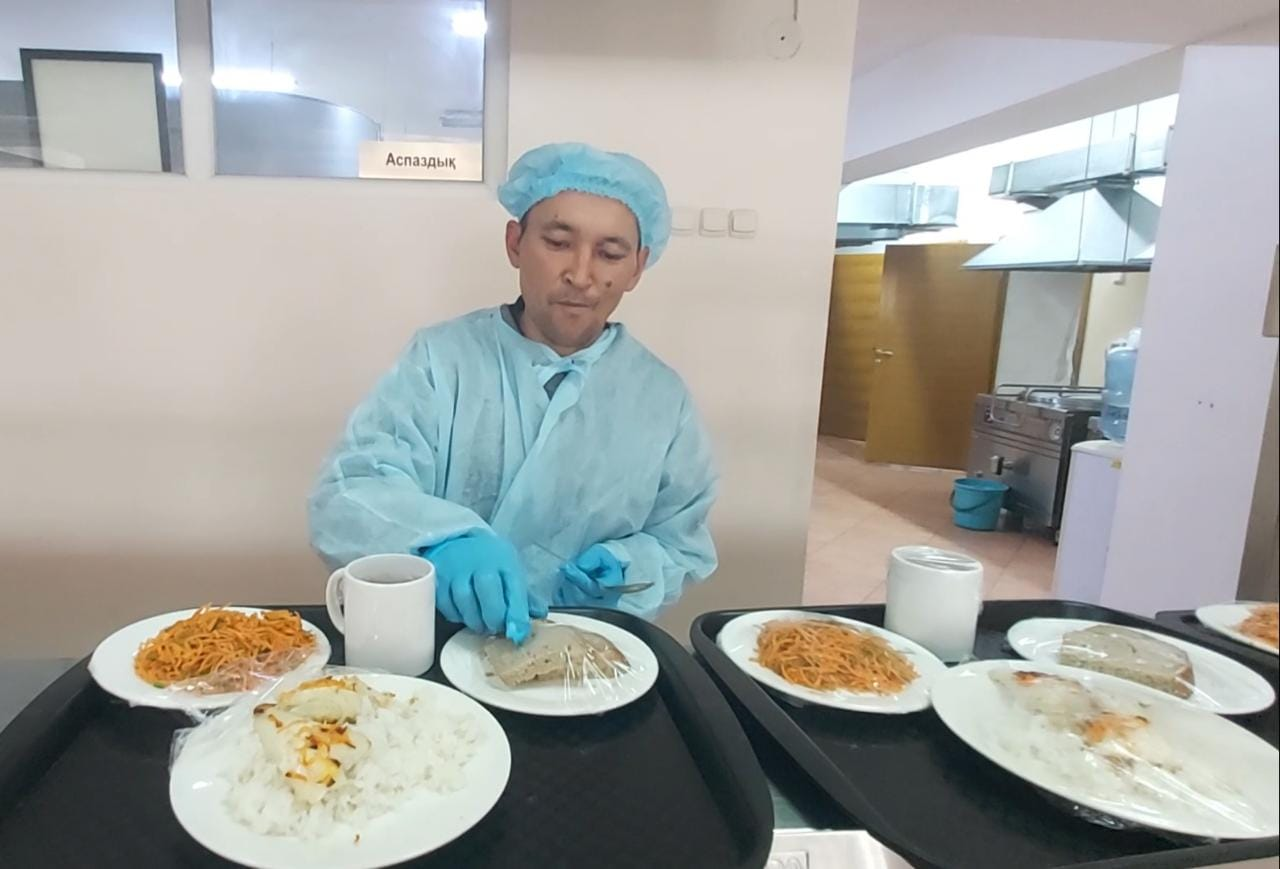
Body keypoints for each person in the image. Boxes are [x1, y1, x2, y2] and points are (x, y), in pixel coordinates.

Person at [308, 142, 719, 644]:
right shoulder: (441, 359)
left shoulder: (660, 397)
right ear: (515, 243)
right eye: (558, 242)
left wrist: (629, 564)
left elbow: (681, 541)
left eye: (610, 254)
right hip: (434, 641)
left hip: (583, 651)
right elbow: (351, 491)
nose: (581, 275)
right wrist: (442, 542)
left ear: (636, 267)